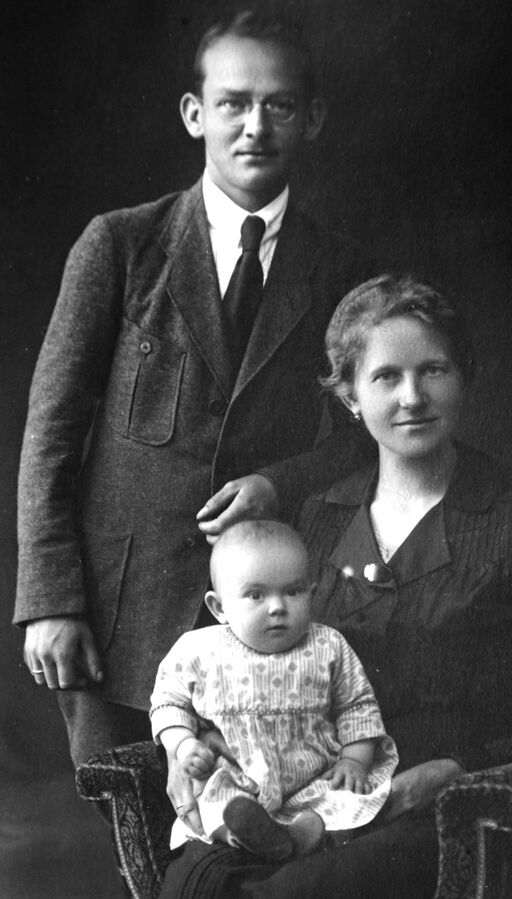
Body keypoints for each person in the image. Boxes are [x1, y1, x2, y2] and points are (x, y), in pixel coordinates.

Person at [159, 274, 512, 898]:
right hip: (312, 787)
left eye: (434, 371)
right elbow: (242, 662)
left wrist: (461, 769)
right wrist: (193, 742)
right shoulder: (316, 519)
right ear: (349, 397)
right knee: (197, 880)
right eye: (386, 377)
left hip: (450, 801)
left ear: (463, 378)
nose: (413, 397)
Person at [14, 7, 372, 778]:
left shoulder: (340, 270)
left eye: (278, 105)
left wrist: (279, 482)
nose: (255, 126)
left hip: (263, 630)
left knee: (250, 825)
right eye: (233, 103)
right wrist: (51, 599)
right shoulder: (120, 245)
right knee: (132, 828)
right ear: (194, 113)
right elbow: (51, 432)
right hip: (120, 617)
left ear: (311, 118)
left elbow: (362, 438)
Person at [150, 519, 398, 861]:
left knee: (344, 798)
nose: (278, 606)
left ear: (311, 593)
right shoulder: (197, 650)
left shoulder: (327, 645)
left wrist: (354, 760)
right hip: (236, 777)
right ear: (219, 608)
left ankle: (299, 836)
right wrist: (182, 743)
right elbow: (168, 703)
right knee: (217, 802)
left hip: (313, 778)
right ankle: (246, 837)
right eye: (256, 595)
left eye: (293, 591)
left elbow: (356, 705)